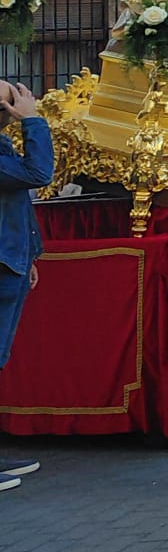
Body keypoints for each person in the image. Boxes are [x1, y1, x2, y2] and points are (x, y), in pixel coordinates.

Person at [0, 79, 54, 490]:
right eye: (10, 100)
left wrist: (31, 254)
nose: (17, 104)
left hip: (13, 262)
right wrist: (33, 122)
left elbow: (17, 201)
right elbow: (39, 172)